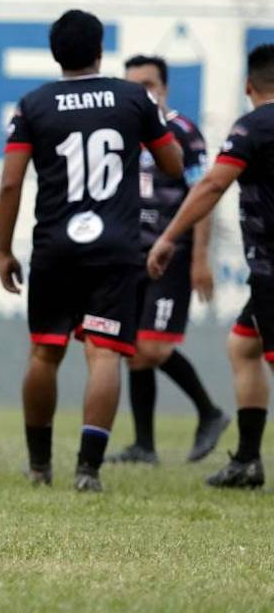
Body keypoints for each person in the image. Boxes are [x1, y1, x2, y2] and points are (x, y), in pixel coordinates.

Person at [0, 10, 182, 492]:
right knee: (104, 354)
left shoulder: (33, 105)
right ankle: (88, 470)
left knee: (45, 352)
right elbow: (173, 163)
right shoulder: (132, 98)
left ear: (56, 54)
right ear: (100, 51)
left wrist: (4, 251)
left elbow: (11, 183)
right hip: (116, 247)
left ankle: (39, 467)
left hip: (55, 246)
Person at [149, 43, 274, 489]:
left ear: (248, 86)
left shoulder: (254, 127)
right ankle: (247, 461)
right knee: (243, 347)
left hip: (273, 269)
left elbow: (212, 185)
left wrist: (169, 237)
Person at [107, 55, 229, 465]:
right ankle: (144, 446)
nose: (141, 92)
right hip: (131, 255)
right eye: (133, 85)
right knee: (134, 349)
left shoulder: (183, 133)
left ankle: (210, 412)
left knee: (153, 348)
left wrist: (199, 259)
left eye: (148, 84)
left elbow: (204, 197)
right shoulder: (124, 130)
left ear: (164, 89)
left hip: (172, 256)